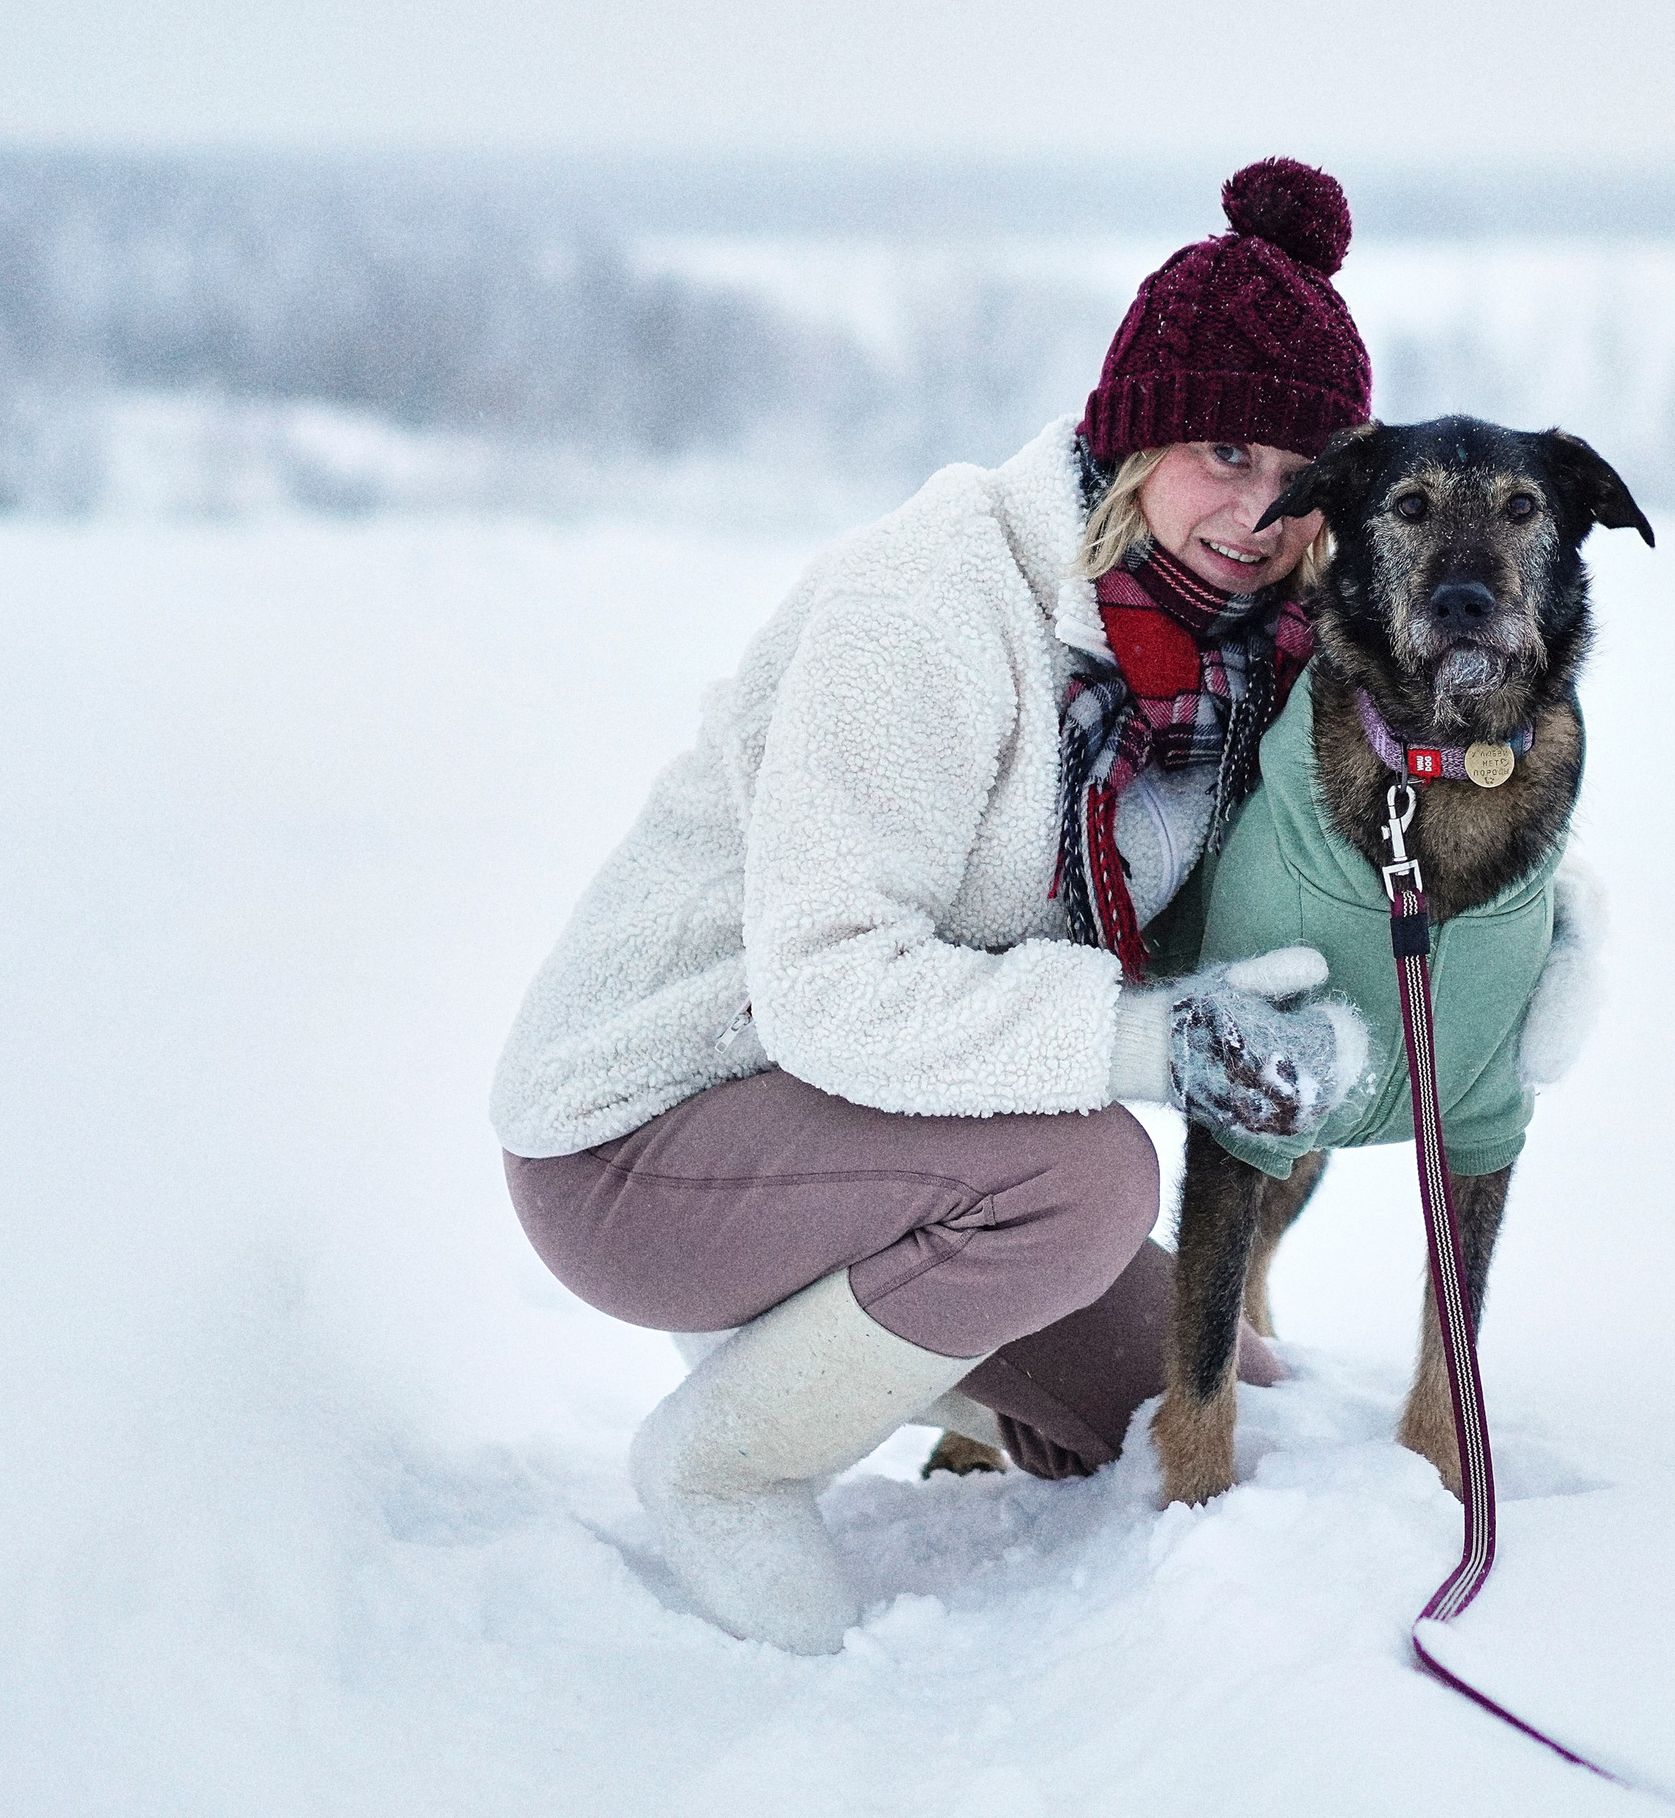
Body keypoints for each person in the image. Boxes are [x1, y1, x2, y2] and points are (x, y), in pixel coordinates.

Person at [493, 159, 1384, 1651]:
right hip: (643, 1137)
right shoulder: (935, 605)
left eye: (1302, 479)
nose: (1256, 510)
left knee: (1210, 1411)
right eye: (1225, 448)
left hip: (881, 1129)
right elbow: (832, 985)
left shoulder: (1234, 666)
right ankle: (726, 1461)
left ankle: (878, 1366)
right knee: (1085, 1184)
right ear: (1135, 430)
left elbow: (1263, 916)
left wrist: (1509, 967)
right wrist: (1155, 1044)